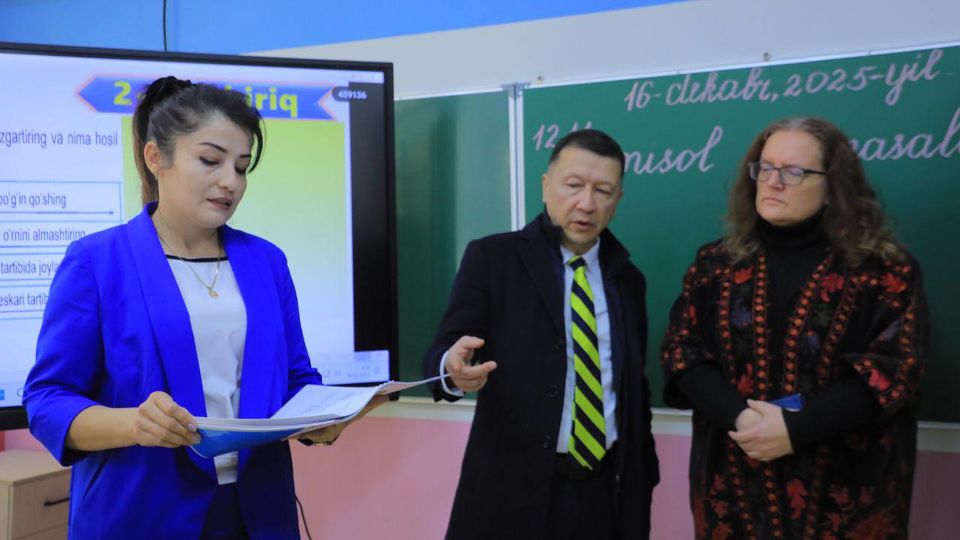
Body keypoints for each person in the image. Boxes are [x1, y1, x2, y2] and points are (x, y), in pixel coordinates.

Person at [23, 76, 368, 539]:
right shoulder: (97, 261)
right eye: (210, 160)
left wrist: (325, 418)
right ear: (155, 158)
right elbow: (48, 400)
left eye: (241, 167)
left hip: (258, 512)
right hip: (141, 514)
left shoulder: (267, 261)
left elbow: (296, 381)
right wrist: (135, 424)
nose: (230, 182)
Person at [661, 117, 928, 539]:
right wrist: (744, 420)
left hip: (846, 493)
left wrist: (795, 429)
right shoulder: (716, 264)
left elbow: (893, 368)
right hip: (733, 489)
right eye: (765, 168)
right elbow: (683, 351)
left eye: (793, 171)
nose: (773, 182)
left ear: (833, 186)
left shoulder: (884, 271)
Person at [423, 129, 659, 539]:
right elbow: (444, 349)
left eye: (603, 191)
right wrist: (452, 367)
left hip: (608, 492)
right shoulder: (493, 258)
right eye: (573, 185)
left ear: (618, 199)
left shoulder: (628, 280)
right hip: (514, 491)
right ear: (546, 185)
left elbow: (632, 387)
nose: (586, 203)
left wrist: (642, 480)